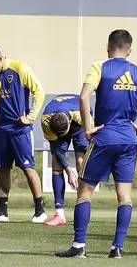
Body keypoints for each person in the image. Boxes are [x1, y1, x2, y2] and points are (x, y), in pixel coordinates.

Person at [54, 29, 137, 259]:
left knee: (84, 192)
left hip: (104, 137)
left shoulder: (100, 67)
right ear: (130, 50)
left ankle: (79, 246)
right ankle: (117, 248)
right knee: (124, 196)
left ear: (108, 48)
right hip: (129, 139)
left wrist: (87, 128)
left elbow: (84, 96)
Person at [0, 46, 48, 223]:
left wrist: (31, 116)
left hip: (20, 130)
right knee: (2, 170)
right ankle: (2, 212)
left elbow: (39, 91)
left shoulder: (20, 68)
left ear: (0, 58)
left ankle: (40, 211)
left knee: (28, 168)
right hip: (2, 131)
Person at [41, 93, 88, 226]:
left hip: (79, 123)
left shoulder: (81, 114)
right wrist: (69, 171)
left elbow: (90, 132)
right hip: (60, 116)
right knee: (56, 161)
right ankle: (60, 214)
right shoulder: (46, 121)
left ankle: (83, 208)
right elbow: (57, 151)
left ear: (68, 123)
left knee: (81, 161)